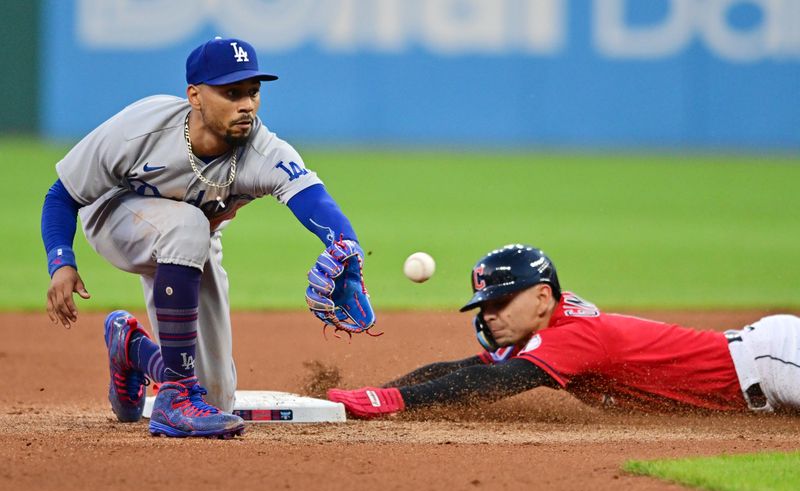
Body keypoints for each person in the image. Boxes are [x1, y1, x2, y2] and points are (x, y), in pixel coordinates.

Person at [41, 37, 376, 438]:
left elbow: (314, 200)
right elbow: (62, 195)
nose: (246, 104)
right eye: (231, 93)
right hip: (114, 218)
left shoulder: (263, 151)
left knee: (216, 399)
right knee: (189, 224)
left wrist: (347, 250)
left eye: (252, 92)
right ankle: (176, 396)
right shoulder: (141, 128)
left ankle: (131, 348)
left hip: (190, 245)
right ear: (195, 96)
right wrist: (61, 262)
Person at [328, 244, 800, 418]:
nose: (489, 315)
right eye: (483, 305)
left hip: (771, 361)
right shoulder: (552, 323)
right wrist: (384, 391)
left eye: (499, 302)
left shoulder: (573, 337)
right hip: (761, 382)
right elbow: (466, 367)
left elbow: (492, 383)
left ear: (539, 296)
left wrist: (397, 402)